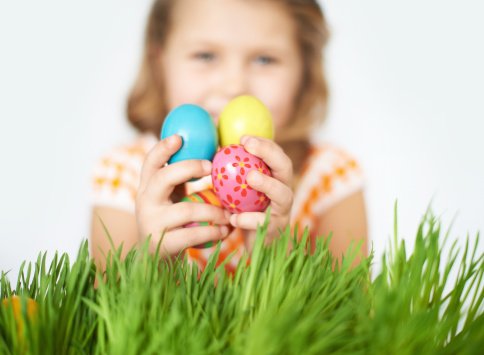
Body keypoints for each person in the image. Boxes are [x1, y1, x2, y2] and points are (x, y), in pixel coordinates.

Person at [90, 0, 368, 272]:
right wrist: (155, 260)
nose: (234, 85)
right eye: (205, 55)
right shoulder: (125, 175)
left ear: (304, 72)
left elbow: (354, 310)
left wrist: (275, 254)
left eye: (264, 59)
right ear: (160, 63)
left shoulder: (328, 176)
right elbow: (107, 308)